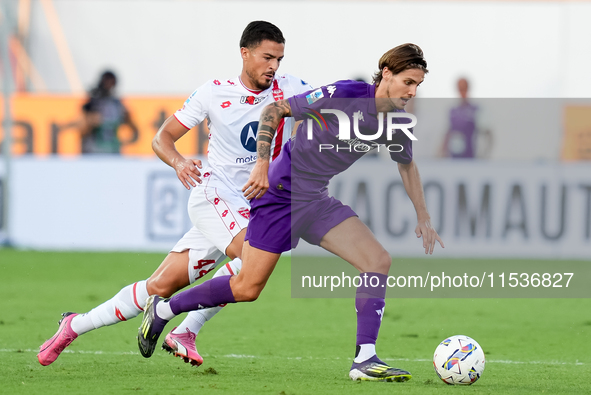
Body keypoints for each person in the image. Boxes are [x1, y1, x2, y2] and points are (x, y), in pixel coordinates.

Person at [137, 43, 444, 382]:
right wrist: (263, 164)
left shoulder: (396, 122)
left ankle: (364, 360)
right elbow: (273, 110)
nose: (412, 92)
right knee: (246, 288)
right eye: (408, 82)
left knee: (377, 261)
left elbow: (407, 165)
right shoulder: (346, 93)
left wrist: (424, 216)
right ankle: (164, 308)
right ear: (387, 73)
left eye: (418, 85)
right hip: (280, 196)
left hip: (315, 199)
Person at [37, 21, 312, 367]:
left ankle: (73, 325)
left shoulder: (292, 87)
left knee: (160, 285)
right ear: (245, 53)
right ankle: (185, 328)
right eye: (267, 57)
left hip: (251, 206)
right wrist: (179, 162)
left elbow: (323, 110)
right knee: (254, 256)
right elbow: (161, 139)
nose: (273, 67)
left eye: (279, 60)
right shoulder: (213, 93)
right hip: (216, 194)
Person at [80, 70, 139, 154]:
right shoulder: (92, 104)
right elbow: (82, 130)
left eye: (111, 83)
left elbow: (135, 131)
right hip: (93, 152)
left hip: (112, 153)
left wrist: (125, 141)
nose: (109, 86)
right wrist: (90, 122)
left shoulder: (118, 105)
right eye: (106, 83)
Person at [440, 77, 493, 159]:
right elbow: (447, 134)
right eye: (460, 89)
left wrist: (484, 155)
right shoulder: (452, 111)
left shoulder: (476, 110)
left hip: (471, 158)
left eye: (464, 88)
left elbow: (488, 134)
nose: (462, 92)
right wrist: (442, 153)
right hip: (453, 159)